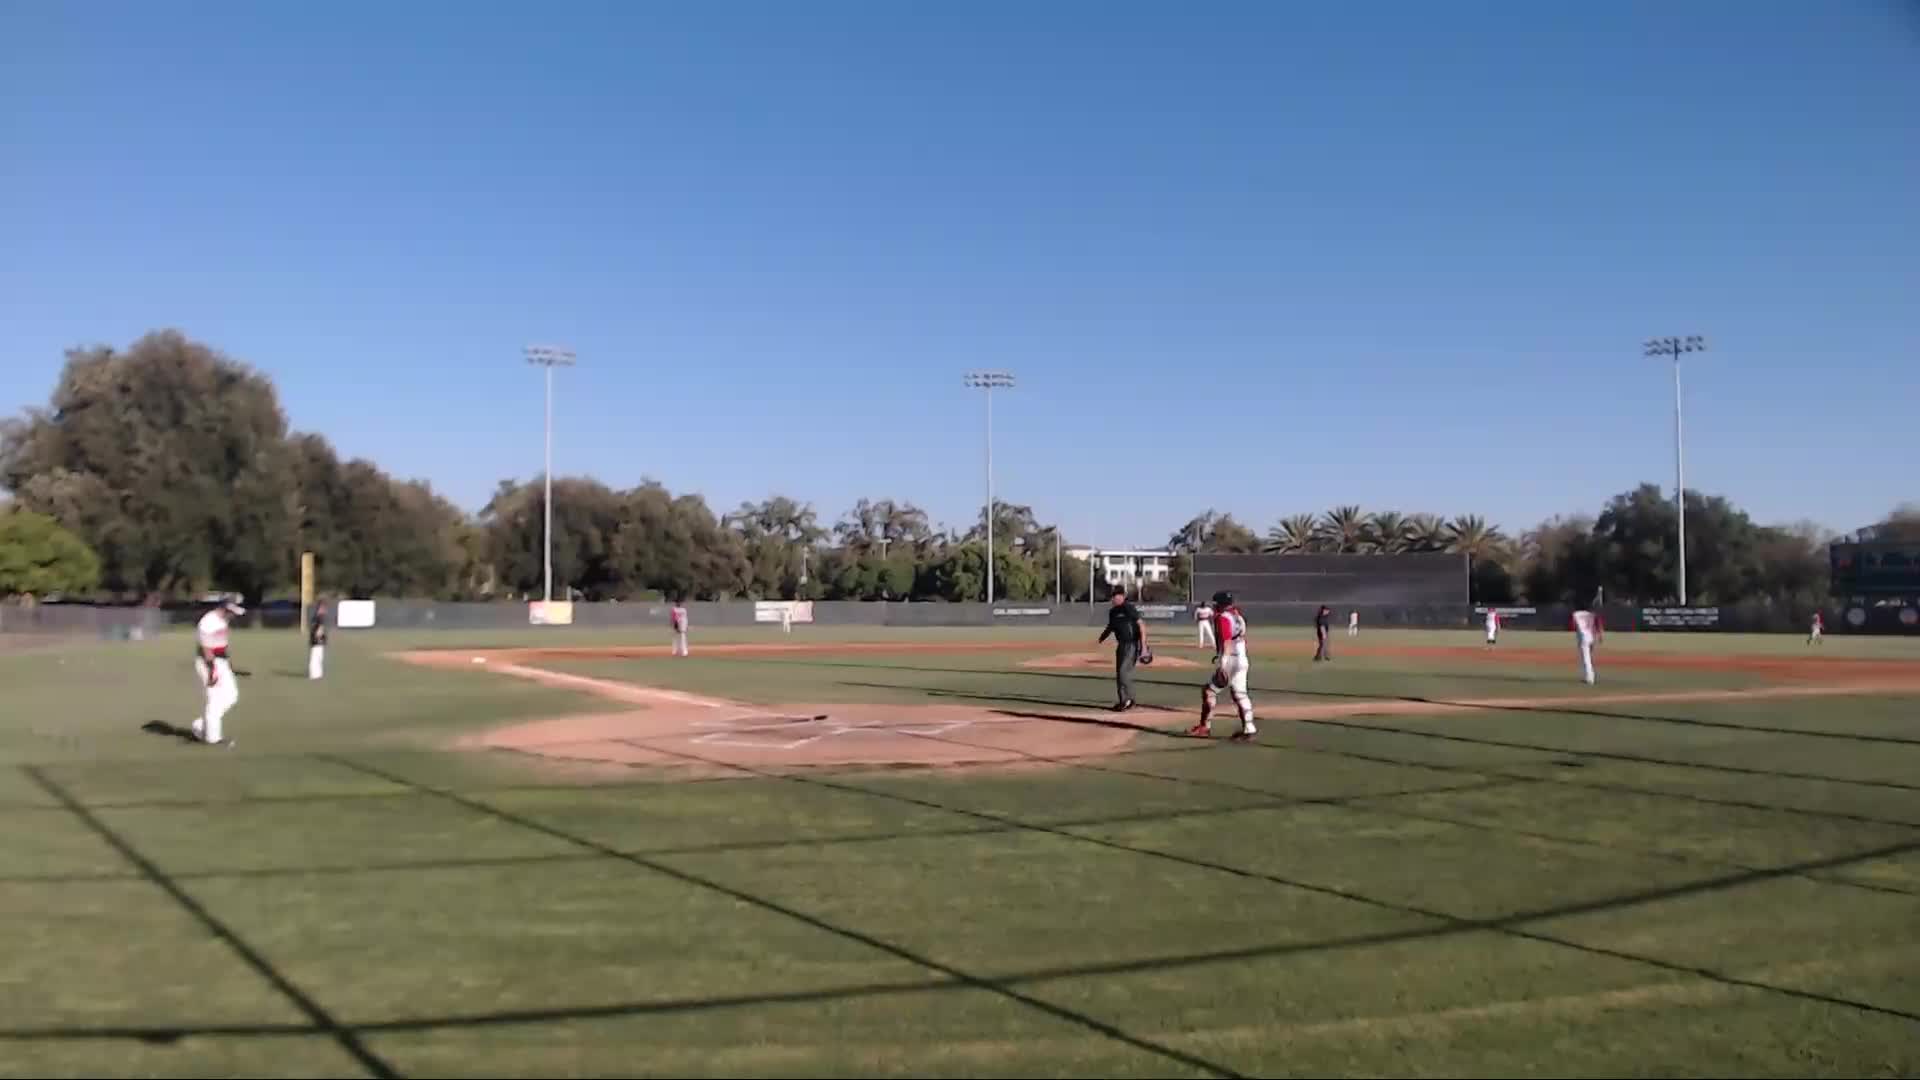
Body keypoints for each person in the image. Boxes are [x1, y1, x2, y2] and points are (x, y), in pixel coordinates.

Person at [1189, 590, 1255, 740]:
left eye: (1216, 603)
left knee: (1209, 691)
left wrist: (1223, 664)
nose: (1215, 606)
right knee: (1240, 694)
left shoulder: (1223, 618)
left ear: (1220, 604)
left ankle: (1204, 727)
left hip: (1230, 659)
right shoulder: (1238, 616)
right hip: (1242, 658)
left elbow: (1227, 642)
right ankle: (1249, 729)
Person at [192, 596, 244, 746]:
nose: (233, 615)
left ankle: (202, 725)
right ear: (224, 608)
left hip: (221, 661)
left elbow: (222, 646)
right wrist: (212, 669)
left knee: (232, 695)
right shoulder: (208, 622)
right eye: (231, 612)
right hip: (208, 663)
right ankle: (213, 737)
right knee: (214, 697)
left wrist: (229, 666)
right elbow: (207, 649)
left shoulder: (223, 620)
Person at [1097, 584, 1147, 711]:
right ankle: (1123, 701)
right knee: (1120, 675)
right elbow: (1110, 627)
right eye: (1112, 596)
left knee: (1123, 673)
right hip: (1121, 645)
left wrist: (1144, 647)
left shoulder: (1128, 608)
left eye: (1115, 596)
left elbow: (1141, 625)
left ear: (1122, 596)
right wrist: (1101, 638)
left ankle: (1130, 699)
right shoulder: (1113, 612)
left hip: (1131, 645)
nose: (1113, 598)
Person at [1572, 607, 1603, 684]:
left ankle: (1590, 678)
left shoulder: (1576, 614)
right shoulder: (1592, 614)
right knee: (1589, 658)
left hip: (1583, 639)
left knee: (1586, 659)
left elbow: (1573, 626)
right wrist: (1600, 635)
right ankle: (1588, 676)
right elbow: (1598, 623)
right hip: (1592, 637)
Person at [308, 600, 327, 680]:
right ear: (320, 608)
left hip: (316, 640)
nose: (325, 610)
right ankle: (314, 674)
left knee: (318, 657)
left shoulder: (317, 617)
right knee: (316, 657)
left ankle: (317, 673)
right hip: (317, 641)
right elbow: (319, 630)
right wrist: (319, 639)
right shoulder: (318, 618)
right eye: (323, 608)